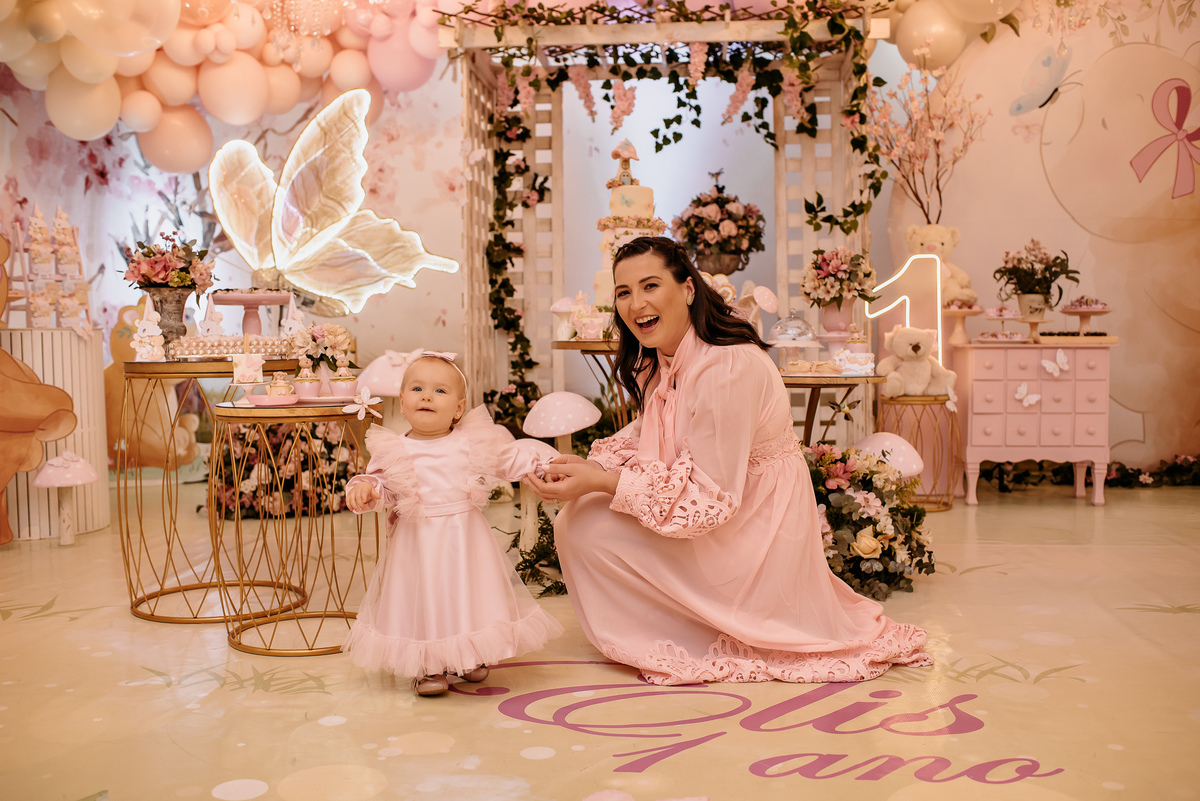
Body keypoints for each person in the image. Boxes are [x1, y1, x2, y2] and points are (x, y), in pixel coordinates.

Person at [529, 237, 931, 685]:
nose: (636, 303)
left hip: (753, 520)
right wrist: (590, 470)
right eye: (624, 292)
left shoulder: (727, 366)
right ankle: (676, 627)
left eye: (650, 286)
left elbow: (710, 498)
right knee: (581, 515)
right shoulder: (663, 358)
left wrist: (605, 482)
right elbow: (650, 432)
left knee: (588, 524)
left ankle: (695, 633)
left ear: (687, 289)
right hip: (731, 506)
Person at [343, 352, 564, 696]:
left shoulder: (470, 441)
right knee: (427, 597)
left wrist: (543, 466)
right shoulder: (395, 449)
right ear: (402, 401)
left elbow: (508, 459)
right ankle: (428, 665)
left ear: (459, 409)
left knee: (468, 595)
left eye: (440, 391)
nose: (427, 397)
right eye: (417, 389)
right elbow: (383, 484)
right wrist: (366, 488)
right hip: (418, 540)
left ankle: (469, 655)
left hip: (465, 538)